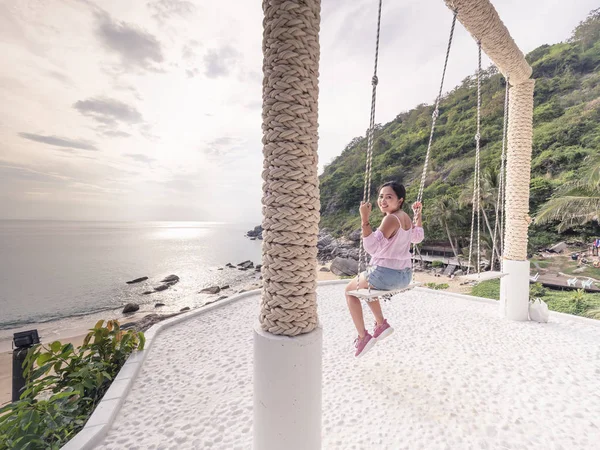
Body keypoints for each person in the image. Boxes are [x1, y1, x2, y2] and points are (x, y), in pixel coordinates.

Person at [345, 181, 424, 357]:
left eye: (389, 197)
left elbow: (372, 248)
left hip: (387, 275)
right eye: (381, 196)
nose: (383, 201)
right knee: (367, 287)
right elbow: (418, 237)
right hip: (405, 276)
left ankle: (363, 336)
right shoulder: (405, 217)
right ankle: (381, 324)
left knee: (350, 291)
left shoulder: (390, 218)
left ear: (400, 200)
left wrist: (364, 219)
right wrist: (418, 216)